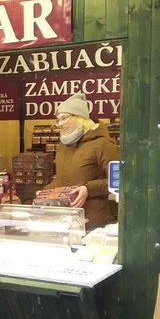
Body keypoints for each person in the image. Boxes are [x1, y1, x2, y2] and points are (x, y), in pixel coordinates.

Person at [40, 92, 119, 229]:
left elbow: (120, 181)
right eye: (58, 120)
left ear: (80, 117)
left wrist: (88, 189)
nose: (60, 124)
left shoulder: (103, 144)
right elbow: (62, 180)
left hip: (93, 224)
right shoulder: (63, 147)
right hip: (66, 222)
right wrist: (45, 193)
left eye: (64, 118)